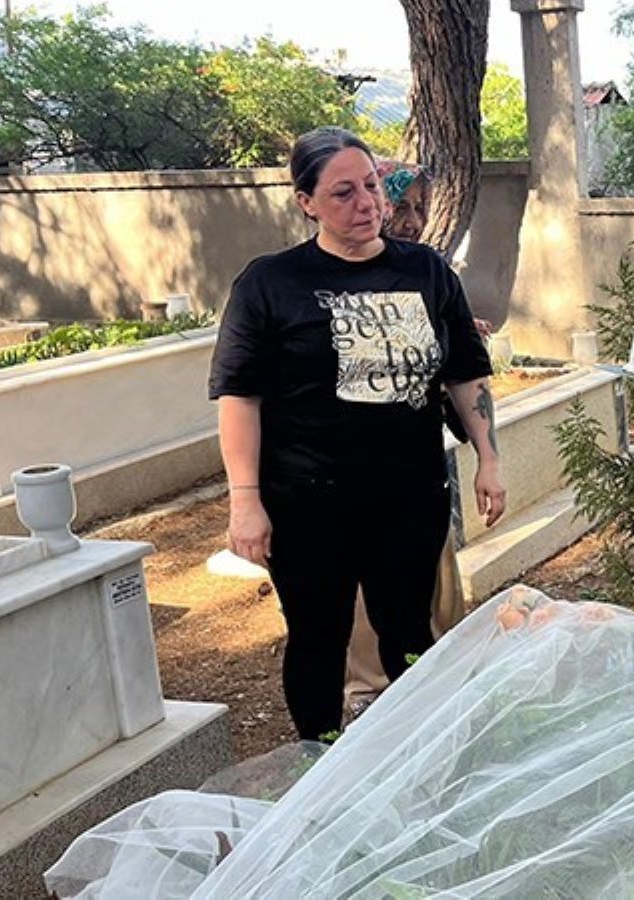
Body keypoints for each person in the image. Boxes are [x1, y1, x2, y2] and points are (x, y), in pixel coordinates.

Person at [210, 126, 507, 741]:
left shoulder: (426, 271)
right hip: (307, 505)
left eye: (371, 186)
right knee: (319, 638)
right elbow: (241, 397)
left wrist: (488, 457)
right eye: (343, 192)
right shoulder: (269, 285)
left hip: (409, 496)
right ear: (306, 202)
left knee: (408, 634)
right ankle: (317, 759)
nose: (366, 204)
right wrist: (246, 502)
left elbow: (465, 373)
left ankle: (413, 752)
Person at [340, 159, 478, 722]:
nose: (416, 219)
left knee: (436, 580)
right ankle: (368, 698)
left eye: (421, 206)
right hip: (351, 478)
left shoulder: (424, 272)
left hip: (418, 467)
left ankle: (436, 680)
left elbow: (448, 363)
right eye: (405, 204)